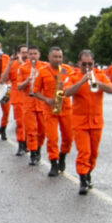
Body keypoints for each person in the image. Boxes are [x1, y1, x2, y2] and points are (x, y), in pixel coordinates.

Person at [63, 49, 112, 194]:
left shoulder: (100, 75)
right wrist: (82, 81)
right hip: (80, 121)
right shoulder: (73, 76)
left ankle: (88, 173)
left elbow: (111, 89)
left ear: (94, 63)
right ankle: (83, 179)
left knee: (93, 153)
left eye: (89, 64)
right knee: (83, 151)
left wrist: (97, 82)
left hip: (96, 120)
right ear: (79, 63)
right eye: (84, 64)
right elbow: (66, 92)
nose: (87, 67)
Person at [32, 47, 74, 177]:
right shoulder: (42, 72)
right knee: (52, 138)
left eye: (60, 57)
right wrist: (46, 99)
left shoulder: (68, 70)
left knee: (68, 137)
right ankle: (54, 163)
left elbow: (74, 84)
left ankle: (63, 155)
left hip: (66, 107)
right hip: (50, 109)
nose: (58, 59)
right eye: (55, 57)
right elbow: (35, 91)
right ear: (49, 58)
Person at [15, 45, 46, 166]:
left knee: (42, 131)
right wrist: (28, 80)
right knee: (31, 130)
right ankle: (33, 153)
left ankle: (38, 149)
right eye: (31, 54)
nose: (33, 56)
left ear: (39, 55)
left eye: (35, 54)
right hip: (28, 102)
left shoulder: (45, 66)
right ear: (27, 55)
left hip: (41, 102)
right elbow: (18, 86)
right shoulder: (23, 68)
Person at [7, 44, 29, 156]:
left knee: (30, 124)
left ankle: (29, 144)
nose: (25, 54)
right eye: (23, 52)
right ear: (18, 53)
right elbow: (4, 79)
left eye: (26, 52)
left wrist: (22, 64)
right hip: (18, 97)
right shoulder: (13, 64)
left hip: (30, 98)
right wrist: (9, 64)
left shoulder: (31, 65)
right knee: (20, 123)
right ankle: (21, 144)